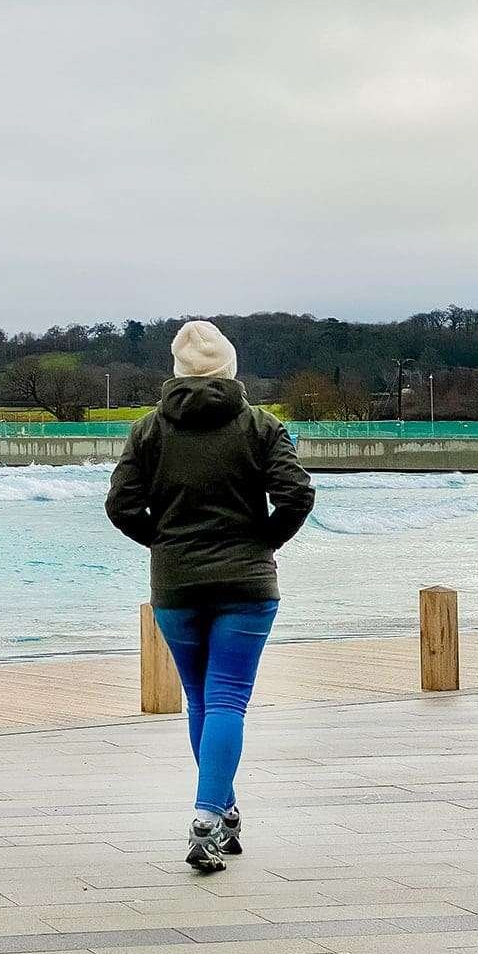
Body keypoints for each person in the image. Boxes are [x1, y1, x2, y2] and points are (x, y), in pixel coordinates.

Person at [105, 320, 314, 873]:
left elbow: (121, 506)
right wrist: (263, 541)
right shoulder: (261, 426)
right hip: (247, 584)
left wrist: (167, 543)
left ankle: (222, 808)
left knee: (201, 700)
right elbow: (296, 495)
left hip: (176, 585)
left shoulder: (148, 430)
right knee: (227, 699)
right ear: (230, 369)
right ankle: (207, 815)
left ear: (176, 372)